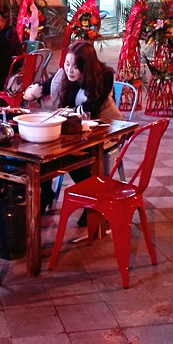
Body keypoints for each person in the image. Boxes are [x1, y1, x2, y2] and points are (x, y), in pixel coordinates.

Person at [24, 40, 123, 218]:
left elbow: (91, 109)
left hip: (105, 131)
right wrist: (34, 90)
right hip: (76, 132)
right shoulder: (65, 75)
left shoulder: (104, 77)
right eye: (67, 64)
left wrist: (65, 112)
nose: (69, 70)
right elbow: (44, 87)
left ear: (86, 67)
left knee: (70, 157)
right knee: (44, 151)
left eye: (76, 67)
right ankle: (46, 193)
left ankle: (93, 202)